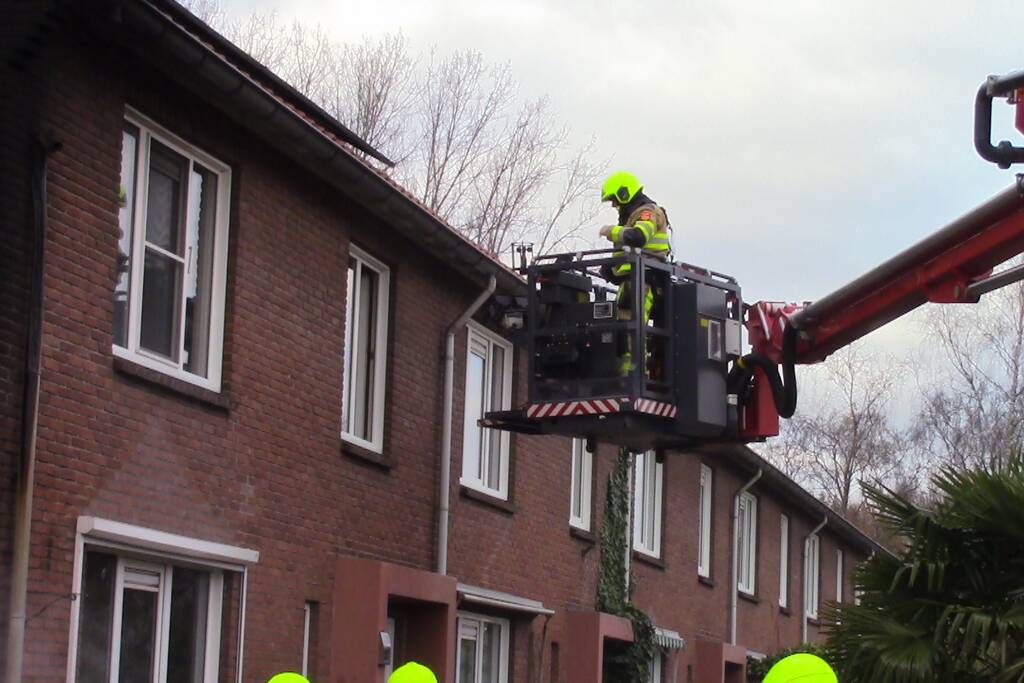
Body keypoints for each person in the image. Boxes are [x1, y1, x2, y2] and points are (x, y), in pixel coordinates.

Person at [598, 171, 672, 375]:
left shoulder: (648, 212)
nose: (614, 205)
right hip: (634, 280)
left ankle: (635, 374)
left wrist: (610, 231)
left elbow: (638, 237)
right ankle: (626, 373)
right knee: (624, 327)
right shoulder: (632, 216)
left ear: (624, 193)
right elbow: (629, 251)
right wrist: (611, 269)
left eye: (614, 200)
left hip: (645, 280)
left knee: (632, 327)